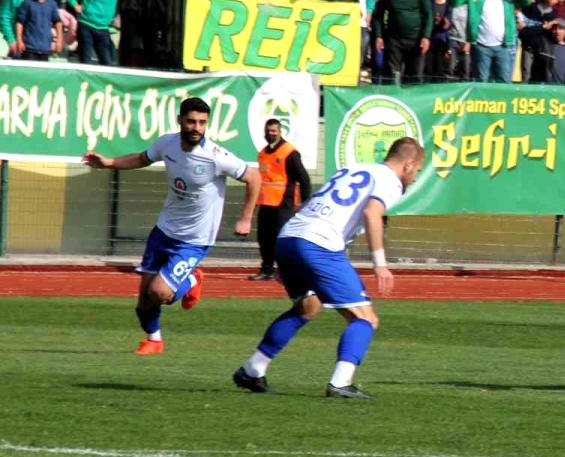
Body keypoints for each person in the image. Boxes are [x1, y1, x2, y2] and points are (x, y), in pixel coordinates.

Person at [233, 137, 424, 399]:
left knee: (307, 307)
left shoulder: (354, 169)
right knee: (365, 318)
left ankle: (253, 369)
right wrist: (380, 264)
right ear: (408, 164)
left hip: (289, 238)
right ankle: (341, 382)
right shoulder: (390, 180)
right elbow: (372, 213)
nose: (414, 178)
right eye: (417, 171)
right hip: (317, 244)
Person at [81, 98, 262, 355]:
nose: (196, 127)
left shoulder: (215, 156)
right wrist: (109, 162)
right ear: (180, 121)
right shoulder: (167, 143)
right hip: (164, 230)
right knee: (144, 301)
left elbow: (254, 177)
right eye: (191, 121)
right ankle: (154, 340)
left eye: (202, 123)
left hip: (194, 240)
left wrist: (245, 218)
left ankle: (192, 279)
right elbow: (142, 158)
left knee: (159, 291)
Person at [251, 119, 312, 281]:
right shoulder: (263, 153)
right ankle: (267, 269)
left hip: (283, 203)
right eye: (268, 131)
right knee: (264, 238)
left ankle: (286, 270)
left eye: (274, 131)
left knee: (281, 237)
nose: (271, 134)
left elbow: (304, 179)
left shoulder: (289, 152)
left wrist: (306, 204)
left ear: (280, 132)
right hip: (265, 202)